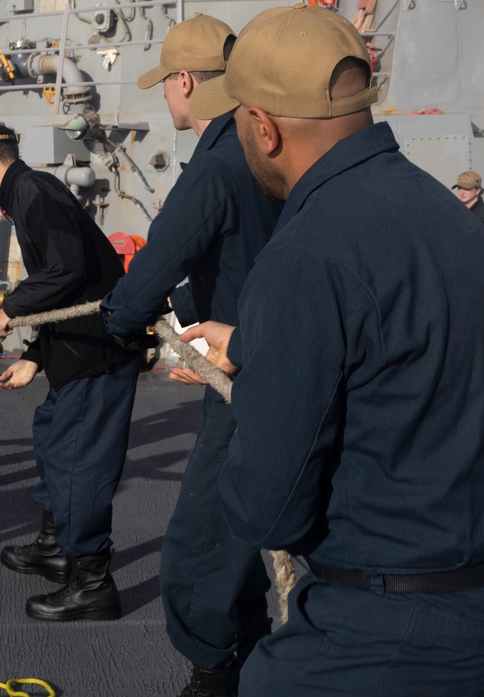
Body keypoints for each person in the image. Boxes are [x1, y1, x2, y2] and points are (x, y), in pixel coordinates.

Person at [178, 4, 484, 695]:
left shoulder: (303, 255)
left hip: (384, 625)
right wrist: (262, 343)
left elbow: (270, 509)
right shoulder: (454, 218)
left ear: (261, 127)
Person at [99, 14, 281, 697]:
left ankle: (216, 670)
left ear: (184, 82)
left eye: (166, 88)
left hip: (242, 376)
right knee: (240, 525)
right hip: (274, 355)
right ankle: (252, 649)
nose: (166, 101)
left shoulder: (214, 164)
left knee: (196, 544)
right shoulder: (264, 148)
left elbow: (146, 276)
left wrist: (115, 324)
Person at [0, 120, 142, 622]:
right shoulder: (28, 194)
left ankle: (93, 582)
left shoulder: (32, 190)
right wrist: (34, 356)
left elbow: (66, 269)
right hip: (70, 351)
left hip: (95, 355)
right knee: (52, 438)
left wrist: (6, 313)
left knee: (82, 464)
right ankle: (57, 546)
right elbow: (63, 285)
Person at [452, 170, 484, 241]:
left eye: (467, 188)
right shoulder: (457, 211)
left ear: (478, 190)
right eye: (459, 188)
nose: (462, 192)